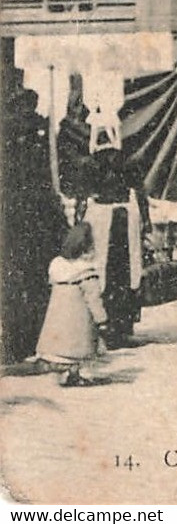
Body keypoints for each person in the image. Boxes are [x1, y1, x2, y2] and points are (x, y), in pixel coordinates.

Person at [1, 81, 67, 366]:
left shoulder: (14, 131)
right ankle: (32, 338)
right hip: (33, 216)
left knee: (15, 281)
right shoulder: (36, 133)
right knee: (37, 279)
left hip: (15, 216)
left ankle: (18, 341)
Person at [78, 119, 147, 349]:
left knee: (101, 273)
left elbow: (84, 195)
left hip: (100, 223)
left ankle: (102, 326)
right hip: (124, 223)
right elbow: (139, 192)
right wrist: (146, 223)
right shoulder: (126, 161)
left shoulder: (89, 163)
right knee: (123, 275)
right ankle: (122, 329)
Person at [32, 223, 107, 387]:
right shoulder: (86, 273)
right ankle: (82, 374)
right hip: (79, 320)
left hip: (58, 318)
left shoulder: (58, 269)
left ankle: (63, 373)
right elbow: (94, 298)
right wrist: (101, 319)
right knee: (81, 347)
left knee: (60, 346)